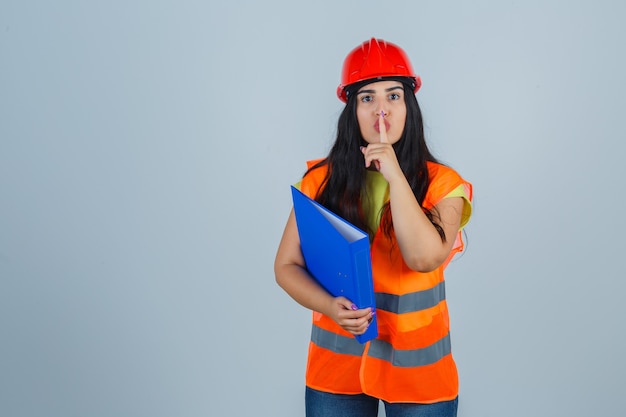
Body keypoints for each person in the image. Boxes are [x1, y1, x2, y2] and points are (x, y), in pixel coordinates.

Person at [274, 38, 473, 417]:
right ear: (352, 110)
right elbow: (285, 267)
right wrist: (329, 306)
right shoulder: (321, 180)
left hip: (419, 377)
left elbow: (423, 257)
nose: (381, 110)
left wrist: (395, 175)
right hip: (337, 370)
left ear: (409, 106)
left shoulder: (445, 185)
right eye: (367, 98)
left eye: (393, 96)